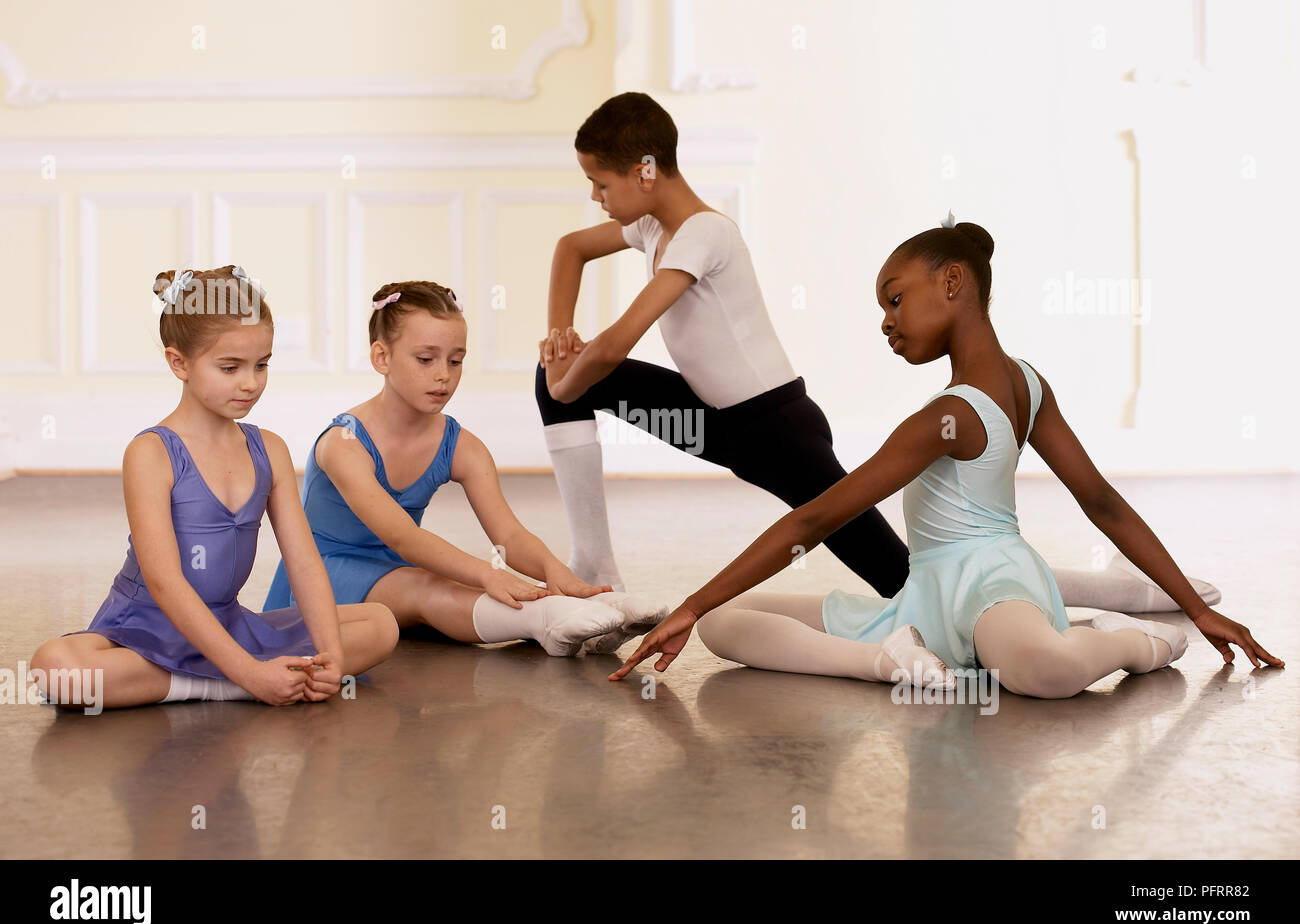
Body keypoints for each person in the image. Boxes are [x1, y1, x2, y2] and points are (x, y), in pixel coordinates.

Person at [536, 91, 1221, 616]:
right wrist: (560, 338)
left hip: (776, 428)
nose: (595, 199)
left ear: (645, 171)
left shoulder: (703, 235)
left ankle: (1114, 591)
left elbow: (621, 341)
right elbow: (569, 250)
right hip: (715, 419)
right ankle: (600, 577)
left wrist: (571, 378)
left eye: (602, 183)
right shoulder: (650, 223)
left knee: (905, 579)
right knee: (558, 379)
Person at [608, 218, 1283, 698]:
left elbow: (811, 521)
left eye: (896, 298)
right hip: (924, 600)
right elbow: (1102, 503)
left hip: (996, 590)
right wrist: (696, 609)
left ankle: (1136, 640)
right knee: (725, 625)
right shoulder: (1013, 384)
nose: (886, 320)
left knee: (1039, 672)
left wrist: (1191, 616)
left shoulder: (960, 413)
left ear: (953, 282)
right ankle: (888, 661)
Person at [29, 266, 399, 710]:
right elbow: (165, 583)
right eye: (230, 367)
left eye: (261, 365)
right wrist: (250, 673)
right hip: (147, 632)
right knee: (57, 668)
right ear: (178, 363)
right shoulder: (151, 452)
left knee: (379, 624)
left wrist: (331, 660)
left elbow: (303, 563)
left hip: (226, 625)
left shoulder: (270, 448)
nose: (250, 383)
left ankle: (233, 673)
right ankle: (230, 682)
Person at [262, 280, 668, 657]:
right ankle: (544, 622)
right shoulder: (344, 444)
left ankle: (582, 604)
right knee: (432, 584)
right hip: (322, 575)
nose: (443, 375)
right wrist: (488, 575)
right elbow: (403, 538)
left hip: (394, 571)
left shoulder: (462, 447)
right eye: (426, 359)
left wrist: (553, 571)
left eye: (456, 361)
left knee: (449, 579)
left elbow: (507, 535)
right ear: (381, 357)